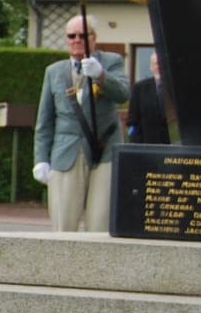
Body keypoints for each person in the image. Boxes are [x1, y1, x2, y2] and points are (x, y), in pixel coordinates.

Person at [33, 14, 129, 232]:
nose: (77, 40)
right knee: (63, 223)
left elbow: (123, 94)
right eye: (71, 35)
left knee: (100, 223)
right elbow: (45, 121)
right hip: (66, 152)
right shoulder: (54, 72)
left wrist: (101, 75)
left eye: (83, 35)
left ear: (94, 38)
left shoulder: (111, 62)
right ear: (66, 39)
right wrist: (40, 159)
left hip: (103, 151)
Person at [125, 51, 171, 145]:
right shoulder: (140, 88)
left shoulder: (176, 88)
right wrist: (135, 142)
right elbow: (132, 121)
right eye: (156, 64)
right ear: (151, 67)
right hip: (147, 145)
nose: (159, 66)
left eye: (161, 63)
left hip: (173, 147)